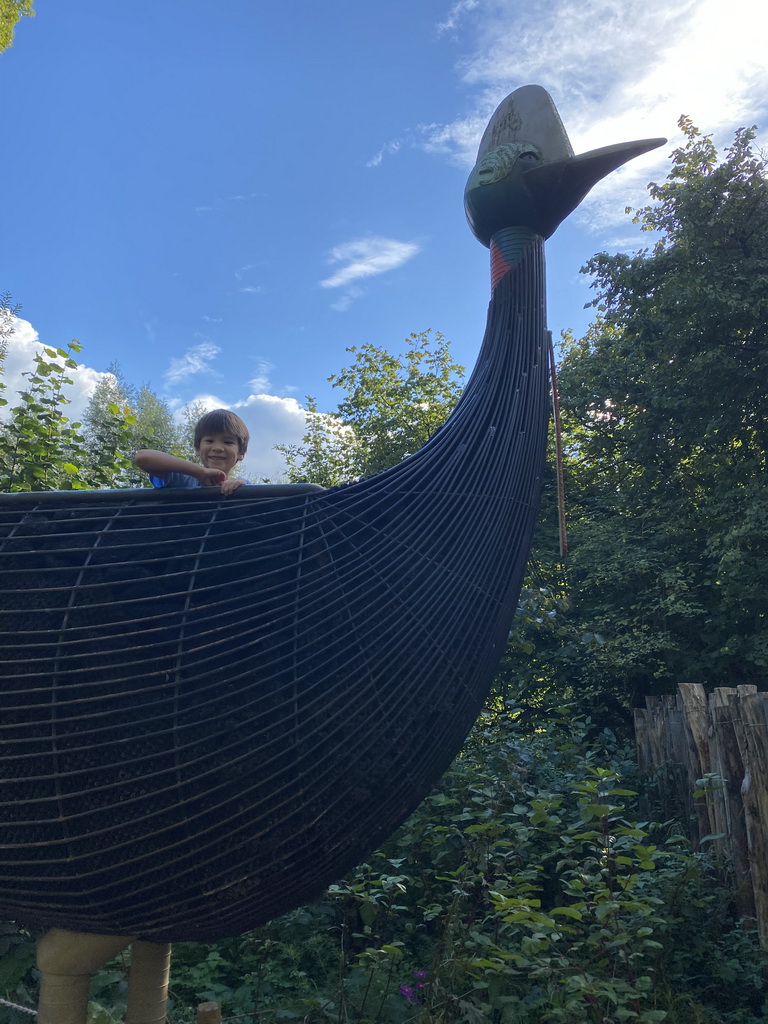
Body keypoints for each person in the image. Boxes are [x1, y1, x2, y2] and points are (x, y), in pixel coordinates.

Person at [134, 408, 250, 495]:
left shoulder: (242, 485)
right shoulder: (183, 480)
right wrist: (199, 472)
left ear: (241, 453)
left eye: (228, 442)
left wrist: (240, 485)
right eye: (209, 441)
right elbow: (142, 457)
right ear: (197, 449)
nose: (217, 448)